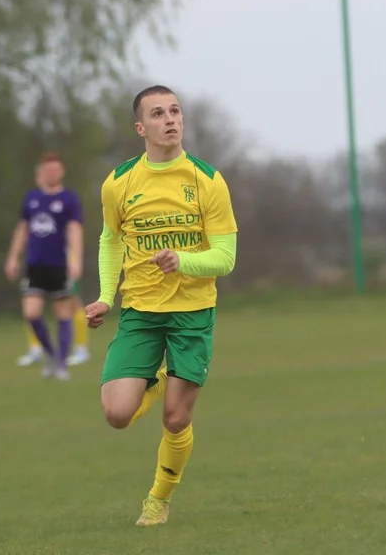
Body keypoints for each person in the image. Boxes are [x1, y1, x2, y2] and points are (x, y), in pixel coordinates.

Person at [84, 85, 238, 526]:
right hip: (141, 312)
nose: (170, 119)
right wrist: (105, 297)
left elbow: (225, 258)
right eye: (158, 113)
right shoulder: (119, 183)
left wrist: (182, 260)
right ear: (141, 128)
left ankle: (158, 499)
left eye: (175, 111)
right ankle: (157, 378)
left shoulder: (207, 180)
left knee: (175, 417)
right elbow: (110, 239)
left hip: (192, 313)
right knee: (117, 414)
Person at [3, 152, 84, 380]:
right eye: (48, 169)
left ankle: (62, 365)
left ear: (62, 171)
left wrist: (76, 260)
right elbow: (22, 229)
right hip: (34, 266)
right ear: (41, 171)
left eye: (55, 169)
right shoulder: (32, 198)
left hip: (59, 266)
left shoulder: (69, 199)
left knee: (63, 313)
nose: (51, 173)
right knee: (31, 313)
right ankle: (50, 354)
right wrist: (13, 257)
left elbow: (75, 231)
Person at [16, 279, 91, 367]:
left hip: (61, 273)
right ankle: (36, 349)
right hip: (36, 272)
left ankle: (81, 349)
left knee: (73, 303)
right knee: (31, 306)